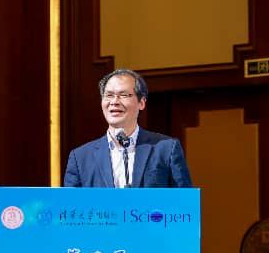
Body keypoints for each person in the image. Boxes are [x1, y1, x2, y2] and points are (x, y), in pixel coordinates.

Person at [63, 68, 192, 188]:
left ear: (141, 103)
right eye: (109, 95)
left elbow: (184, 201)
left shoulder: (166, 149)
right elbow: (69, 204)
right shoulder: (80, 158)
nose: (114, 101)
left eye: (123, 95)